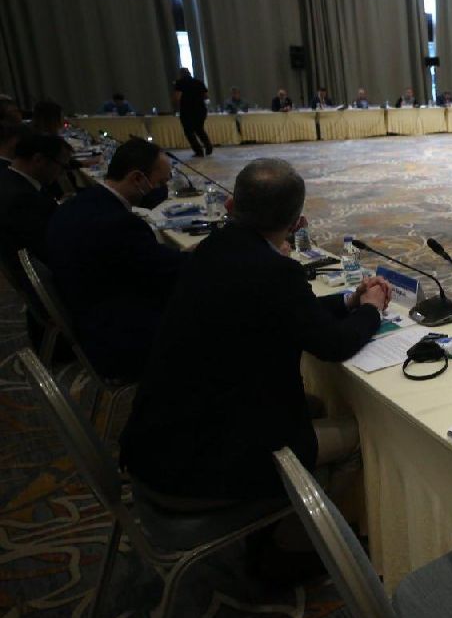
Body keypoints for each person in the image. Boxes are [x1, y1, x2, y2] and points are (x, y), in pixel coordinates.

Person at [120, 158, 391, 504]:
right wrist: (371, 308)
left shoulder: (212, 248)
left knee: (316, 405)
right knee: (360, 437)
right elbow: (334, 344)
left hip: (156, 439)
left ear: (230, 205)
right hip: (200, 465)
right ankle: (302, 533)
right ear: (296, 224)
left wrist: (349, 302)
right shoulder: (275, 272)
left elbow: (290, 312)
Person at [44, 139, 187, 380]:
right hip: (119, 337)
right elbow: (166, 271)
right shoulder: (118, 224)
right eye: (161, 182)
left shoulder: (80, 203)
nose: (163, 189)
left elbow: (144, 260)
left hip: (92, 309)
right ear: (137, 178)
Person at [0, 134, 71, 348]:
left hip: (31, 275)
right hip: (49, 285)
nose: (61, 173)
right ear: (39, 160)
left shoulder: (8, 180)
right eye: (61, 166)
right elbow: (53, 251)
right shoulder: (21, 199)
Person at [173, 68, 214, 157]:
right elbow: (206, 96)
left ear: (181, 74)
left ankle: (198, 151)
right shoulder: (198, 82)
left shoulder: (180, 83)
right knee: (199, 129)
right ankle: (208, 146)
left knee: (189, 132)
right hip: (201, 110)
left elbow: (177, 97)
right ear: (189, 73)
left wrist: (177, 107)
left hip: (187, 111)